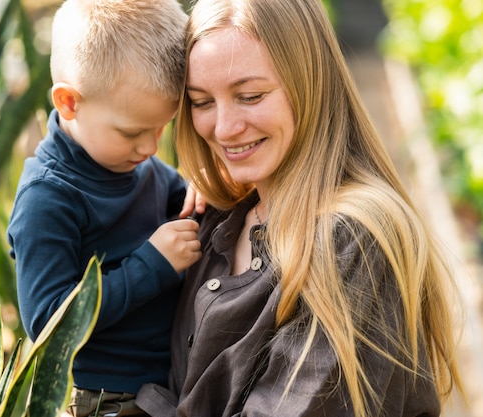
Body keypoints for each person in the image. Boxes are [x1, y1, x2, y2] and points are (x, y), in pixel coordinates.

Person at [135, 0, 465, 416]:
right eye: (202, 102)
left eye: (250, 96)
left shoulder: (351, 238)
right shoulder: (217, 215)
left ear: (309, 83)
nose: (223, 128)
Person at [7, 1, 203, 415]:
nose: (151, 148)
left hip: (167, 386)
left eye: (161, 128)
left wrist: (201, 187)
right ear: (69, 103)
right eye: (133, 132)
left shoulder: (129, 159)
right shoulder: (48, 199)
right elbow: (48, 322)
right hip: (105, 400)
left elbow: (181, 199)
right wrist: (151, 265)